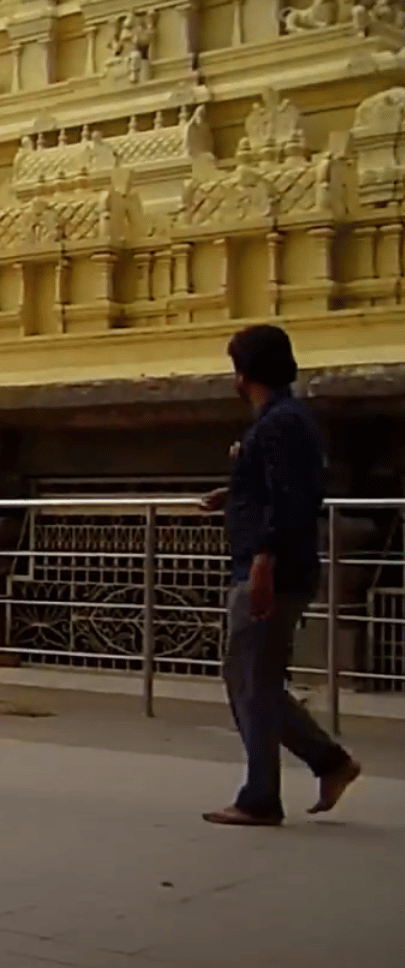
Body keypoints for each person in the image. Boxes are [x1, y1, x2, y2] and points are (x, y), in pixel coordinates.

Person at [202, 325, 361, 827]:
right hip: (268, 561)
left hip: (269, 566)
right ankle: (328, 762)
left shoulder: (280, 423)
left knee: (251, 680)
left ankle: (261, 796)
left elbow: (294, 498)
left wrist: (264, 559)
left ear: (244, 372)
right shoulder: (281, 420)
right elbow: (281, 485)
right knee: (252, 679)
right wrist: (234, 494)